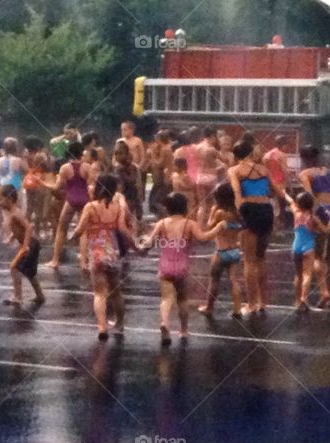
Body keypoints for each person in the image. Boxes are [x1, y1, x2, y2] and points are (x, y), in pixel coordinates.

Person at [141, 192, 218, 346]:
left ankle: (164, 322)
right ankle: (183, 330)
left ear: (168, 208)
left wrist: (142, 244)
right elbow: (203, 238)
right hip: (182, 266)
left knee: (166, 298)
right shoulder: (189, 224)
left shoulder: (162, 223)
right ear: (185, 207)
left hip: (165, 266)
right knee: (182, 299)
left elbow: (149, 243)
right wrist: (219, 228)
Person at [70, 174, 136, 340]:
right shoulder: (118, 208)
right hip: (112, 253)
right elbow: (123, 229)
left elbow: (80, 229)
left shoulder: (90, 207)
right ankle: (120, 324)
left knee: (99, 293)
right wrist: (136, 244)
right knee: (116, 292)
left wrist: (72, 236)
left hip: (97, 254)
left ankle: (102, 327)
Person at [229, 139, 285, 317]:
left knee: (249, 260)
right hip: (266, 210)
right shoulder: (263, 169)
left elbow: (237, 193)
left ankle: (251, 303)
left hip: (249, 210)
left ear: (235, 155)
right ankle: (263, 302)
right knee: (261, 258)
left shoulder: (235, 170)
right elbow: (274, 190)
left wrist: (239, 214)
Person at [298, 144, 330, 308]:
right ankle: (329, 295)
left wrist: (311, 216)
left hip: (322, 210)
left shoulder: (305, 173)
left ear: (304, 159)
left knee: (319, 255)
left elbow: (309, 196)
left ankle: (324, 293)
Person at [197, 182, 244, 319]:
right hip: (235, 251)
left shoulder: (218, 211)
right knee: (234, 280)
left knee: (214, 279)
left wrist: (209, 213)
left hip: (221, 251)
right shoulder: (236, 212)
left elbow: (209, 226)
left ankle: (209, 307)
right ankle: (237, 309)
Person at [0, 185, 45, 306]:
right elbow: (19, 229)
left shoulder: (15, 213)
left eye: (0, 199)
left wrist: (25, 246)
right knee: (29, 272)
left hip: (31, 243)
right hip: (32, 243)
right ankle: (40, 295)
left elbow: (28, 228)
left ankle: (18, 296)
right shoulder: (12, 213)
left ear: (9, 199)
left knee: (14, 267)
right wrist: (12, 238)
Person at [48, 142, 93, 268]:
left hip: (71, 200)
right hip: (84, 199)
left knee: (61, 229)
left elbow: (57, 187)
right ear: (81, 153)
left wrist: (44, 183)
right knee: (83, 231)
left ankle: (55, 260)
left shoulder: (65, 168)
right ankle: (83, 262)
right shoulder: (88, 167)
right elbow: (90, 186)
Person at [291, 192, 329, 312]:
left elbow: (291, 202)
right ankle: (304, 299)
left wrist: (284, 192)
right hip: (308, 248)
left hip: (296, 246)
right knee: (307, 275)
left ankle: (297, 299)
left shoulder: (296, 214)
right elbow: (326, 231)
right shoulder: (313, 218)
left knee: (298, 274)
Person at [0, 138, 27, 240]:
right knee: (18, 211)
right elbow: (27, 170)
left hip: (3, 187)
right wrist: (24, 157)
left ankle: (6, 235)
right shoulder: (17, 160)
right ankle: (17, 233)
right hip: (15, 187)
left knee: (6, 214)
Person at [263, 135, 292, 229]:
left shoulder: (266, 155)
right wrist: (290, 185)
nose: (287, 147)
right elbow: (285, 171)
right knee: (281, 207)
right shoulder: (282, 155)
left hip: (268, 184)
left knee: (270, 205)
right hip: (280, 184)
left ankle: (270, 226)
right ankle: (279, 228)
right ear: (283, 144)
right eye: (287, 145)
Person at [146, 131, 174, 219]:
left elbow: (159, 164)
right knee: (158, 198)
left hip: (165, 177)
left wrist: (152, 155)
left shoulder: (165, 149)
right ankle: (161, 217)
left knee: (156, 200)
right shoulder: (166, 148)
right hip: (164, 176)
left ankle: (165, 215)